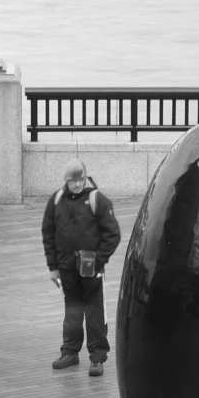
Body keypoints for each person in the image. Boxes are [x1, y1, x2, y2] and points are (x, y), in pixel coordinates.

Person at [42, 159, 121, 376]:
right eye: (73, 180)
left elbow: (112, 234)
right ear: (66, 181)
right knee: (73, 311)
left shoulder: (97, 200)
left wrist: (98, 261)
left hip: (91, 268)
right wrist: (53, 267)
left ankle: (97, 358)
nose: (77, 184)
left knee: (94, 312)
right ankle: (70, 352)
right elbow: (48, 234)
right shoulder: (56, 200)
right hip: (67, 268)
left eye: (80, 179)